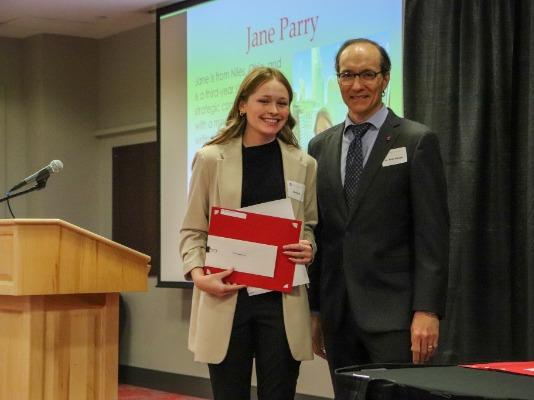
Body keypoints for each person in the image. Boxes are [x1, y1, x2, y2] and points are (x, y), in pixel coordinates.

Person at [307, 38, 449, 391]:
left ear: (385, 79)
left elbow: (432, 235)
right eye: (348, 75)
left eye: (368, 74)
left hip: (396, 317)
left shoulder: (416, 140)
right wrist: (314, 312)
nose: (357, 85)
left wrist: (427, 310)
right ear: (337, 80)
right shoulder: (319, 146)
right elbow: (321, 234)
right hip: (338, 315)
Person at [180, 67, 317, 400]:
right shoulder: (211, 158)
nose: (274, 111)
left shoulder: (303, 163)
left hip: (282, 303)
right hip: (227, 295)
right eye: (264, 100)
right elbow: (192, 230)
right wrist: (199, 276)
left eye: (282, 103)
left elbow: (309, 225)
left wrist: (308, 247)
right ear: (243, 104)